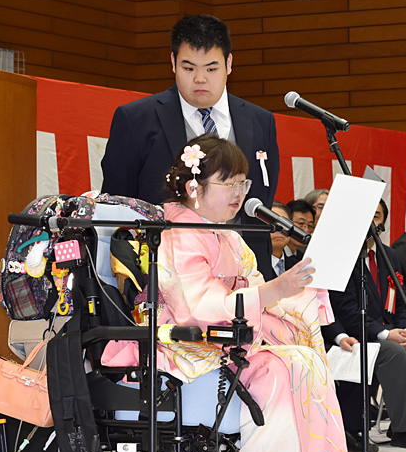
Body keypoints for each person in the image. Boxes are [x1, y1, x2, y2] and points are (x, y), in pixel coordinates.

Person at [156, 134, 347, 452]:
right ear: (193, 187)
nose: (239, 194)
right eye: (228, 184)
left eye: (242, 184)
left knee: (305, 360)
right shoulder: (176, 234)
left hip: (226, 340)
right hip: (183, 344)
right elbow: (196, 306)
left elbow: (258, 289)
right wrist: (274, 292)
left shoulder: (226, 234)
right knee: (275, 367)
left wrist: (301, 291)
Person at [100, 14, 280, 279]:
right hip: (163, 275)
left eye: (211, 69)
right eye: (189, 68)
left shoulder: (260, 121)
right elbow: (116, 204)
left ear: (229, 64)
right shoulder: (135, 119)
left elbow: (264, 193)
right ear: (173, 63)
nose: (200, 79)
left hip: (247, 273)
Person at [327, 200, 406, 449]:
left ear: (383, 221)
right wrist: (386, 334)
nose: (371, 221)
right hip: (356, 334)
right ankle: (404, 429)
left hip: (389, 331)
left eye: (376, 216)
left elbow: (402, 300)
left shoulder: (389, 255)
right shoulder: (342, 256)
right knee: (393, 351)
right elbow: (347, 310)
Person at [268, 201, 298, 279]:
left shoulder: (297, 266)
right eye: (272, 224)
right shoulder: (250, 266)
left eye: (284, 224)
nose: (279, 229)